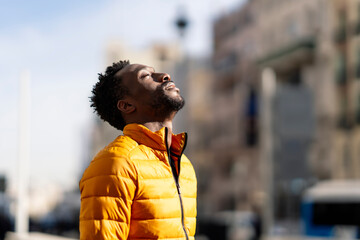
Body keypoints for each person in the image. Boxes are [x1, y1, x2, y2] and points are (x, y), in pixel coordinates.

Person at [79, 60, 197, 240]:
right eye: (146, 76)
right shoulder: (115, 163)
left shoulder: (184, 164)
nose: (165, 76)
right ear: (126, 105)